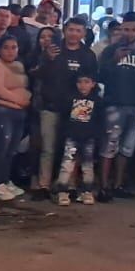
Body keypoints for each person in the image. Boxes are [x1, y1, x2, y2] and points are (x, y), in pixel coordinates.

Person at [32, 19, 99, 198]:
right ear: (64, 30)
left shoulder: (88, 55)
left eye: (78, 30)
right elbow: (38, 74)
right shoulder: (52, 49)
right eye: (71, 30)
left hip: (77, 109)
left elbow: (93, 82)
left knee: (73, 149)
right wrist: (48, 59)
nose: (74, 34)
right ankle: (44, 185)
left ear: (84, 33)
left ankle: (69, 185)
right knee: (48, 148)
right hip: (51, 105)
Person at [97, 12, 135, 199]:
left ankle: (119, 184)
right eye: (126, 29)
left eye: (133, 29)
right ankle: (104, 186)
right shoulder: (110, 51)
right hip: (113, 105)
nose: (129, 33)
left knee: (127, 148)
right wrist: (114, 60)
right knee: (108, 146)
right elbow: (100, 76)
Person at [0, 34, 32, 200]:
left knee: (11, 150)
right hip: (2, 112)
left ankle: (5, 180)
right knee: (1, 148)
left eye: (14, 47)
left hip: (18, 112)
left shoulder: (19, 66)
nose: (10, 51)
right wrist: (18, 100)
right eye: (6, 48)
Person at [56, 74, 104, 205]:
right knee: (67, 164)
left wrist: (97, 135)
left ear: (93, 84)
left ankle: (87, 191)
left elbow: (100, 120)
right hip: (72, 136)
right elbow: (64, 117)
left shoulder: (97, 100)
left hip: (89, 137)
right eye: (80, 82)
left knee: (88, 165)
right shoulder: (69, 98)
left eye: (86, 82)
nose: (83, 85)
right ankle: (62, 191)